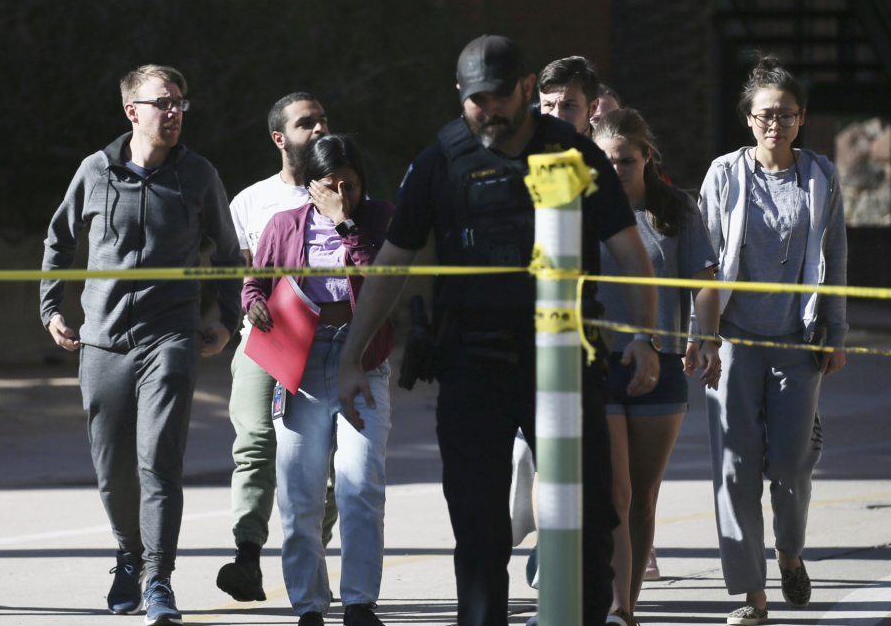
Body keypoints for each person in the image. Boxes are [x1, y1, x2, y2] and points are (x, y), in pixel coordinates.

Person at [335, 35, 661, 626]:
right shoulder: (440, 160)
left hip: (562, 366)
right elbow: (391, 263)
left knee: (587, 525)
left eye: (500, 97)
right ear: (459, 97)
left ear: (527, 89)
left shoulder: (572, 154)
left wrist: (643, 336)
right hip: (472, 367)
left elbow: (629, 250)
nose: (489, 111)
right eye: (475, 100)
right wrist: (351, 356)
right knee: (479, 533)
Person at [40, 64, 245, 626]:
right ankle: (128, 553)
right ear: (133, 111)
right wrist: (52, 308)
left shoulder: (199, 174)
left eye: (180, 101)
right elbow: (59, 240)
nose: (174, 111)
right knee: (112, 467)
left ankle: (159, 578)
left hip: (171, 336)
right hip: (101, 341)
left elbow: (229, 253)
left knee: (159, 460)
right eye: (162, 102)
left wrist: (226, 319)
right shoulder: (95, 171)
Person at [697, 55, 847, 626]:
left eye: (786, 115)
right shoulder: (724, 175)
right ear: (749, 118)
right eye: (765, 115)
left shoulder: (820, 177)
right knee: (734, 466)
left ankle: (789, 552)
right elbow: (704, 266)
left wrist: (835, 331)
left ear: (801, 118)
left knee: (789, 464)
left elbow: (836, 262)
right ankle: (751, 595)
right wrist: (703, 337)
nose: (775, 124)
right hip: (734, 339)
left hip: (796, 339)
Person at [243, 135, 396, 626]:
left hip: (362, 359)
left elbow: (384, 284)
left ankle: (358, 602)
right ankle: (309, 605)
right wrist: (254, 304)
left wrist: (345, 224)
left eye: (350, 185)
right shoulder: (284, 225)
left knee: (360, 487)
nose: (341, 193)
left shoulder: (378, 219)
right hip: (301, 365)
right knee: (301, 494)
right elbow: (254, 282)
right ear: (310, 186)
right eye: (330, 186)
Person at [593, 108, 722, 626]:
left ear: (647, 157)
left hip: (661, 365)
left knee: (643, 497)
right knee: (615, 492)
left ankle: (630, 601)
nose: (616, 169)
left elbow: (706, 280)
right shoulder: (577, 210)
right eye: (606, 161)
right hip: (598, 361)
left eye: (626, 159)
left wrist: (705, 337)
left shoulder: (675, 209)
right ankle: (617, 606)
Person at [218, 93, 339, 601]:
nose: (318, 130)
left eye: (322, 122)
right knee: (253, 445)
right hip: (265, 343)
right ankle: (247, 558)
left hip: (327, 345)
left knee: (325, 463)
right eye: (306, 123)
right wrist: (237, 313)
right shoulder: (249, 202)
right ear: (279, 138)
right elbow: (237, 278)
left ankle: (309, 556)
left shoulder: (342, 193)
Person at [538, 56, 600, 136]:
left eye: (568, 105)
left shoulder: (609, 147)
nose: (557, 115)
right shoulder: (526, 146)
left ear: (593, 108)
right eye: (549, 105)